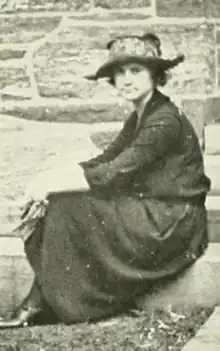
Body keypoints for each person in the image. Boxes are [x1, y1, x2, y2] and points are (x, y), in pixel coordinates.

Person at [0, 32, 211, 328]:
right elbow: (104, 160)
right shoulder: (142, 114)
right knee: (62, 201)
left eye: (136, 71)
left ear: (155, 75)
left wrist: (51, 186)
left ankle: (46, 304)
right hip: (153, 211)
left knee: (68, 204)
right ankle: (44, 301)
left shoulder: (163, 120)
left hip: (173, 221)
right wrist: (49, 177)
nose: (126, 79)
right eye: (120, 73)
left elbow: (115, 173)